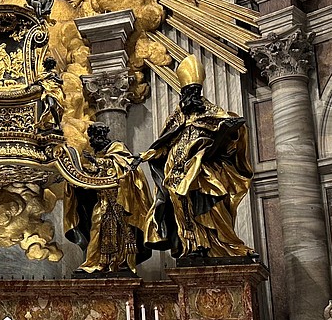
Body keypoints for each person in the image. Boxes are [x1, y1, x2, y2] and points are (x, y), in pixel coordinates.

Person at [141, 53, 253, 261]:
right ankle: (192, 245)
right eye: (187, 92)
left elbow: (230, 135)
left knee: (213, 205)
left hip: (204, 171)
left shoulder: (213, 113)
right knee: (183, 211)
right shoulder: (176, 118)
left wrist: (230, 131)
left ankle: (226, 245)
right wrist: (147, 155)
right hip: (175, 173)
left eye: (194, 91)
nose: (191, 95)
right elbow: (163, 144)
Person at [64, 123, 155, 274]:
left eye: (93, 139)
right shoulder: (100, 155)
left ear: (100, 137)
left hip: (120, 201)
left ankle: (118, 263)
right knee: (97, 226)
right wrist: (74, 180)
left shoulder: (117, 149)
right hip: (103, 201)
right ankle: (95, 263)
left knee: (118, 233)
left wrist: (95, 162)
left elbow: (124, 168)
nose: (91, 143)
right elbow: (95, 178)